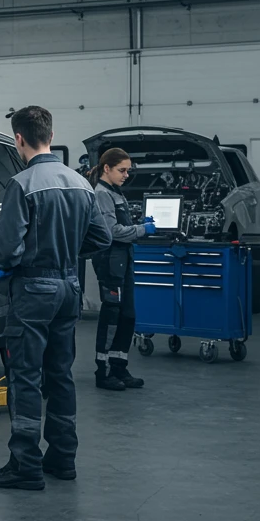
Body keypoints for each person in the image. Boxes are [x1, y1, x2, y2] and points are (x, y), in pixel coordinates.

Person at [0, 106, 112, 491]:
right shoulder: (81, 183)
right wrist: (67, 254)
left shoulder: (21, 184)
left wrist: (6, 264)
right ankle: (63, 458)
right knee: (60, 374)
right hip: (68, 287)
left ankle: (25, 464)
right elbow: (102, 238)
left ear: (18, 138)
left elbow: (7, 249)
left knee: (25, 376)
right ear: (51, 136)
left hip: (33, 290)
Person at [89, 148, 156, 391]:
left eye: (128, 170)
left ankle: (119, 366)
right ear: (106, 168)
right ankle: (103, 371)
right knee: (112, 316)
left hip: (123, 259)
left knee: (127, 315)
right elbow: (111, 231)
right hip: (110, 261)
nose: (126, 175)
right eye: (122, 170)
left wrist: (138, 225)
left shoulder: (116, 192)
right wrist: (142, 230)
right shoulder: (101, 193)